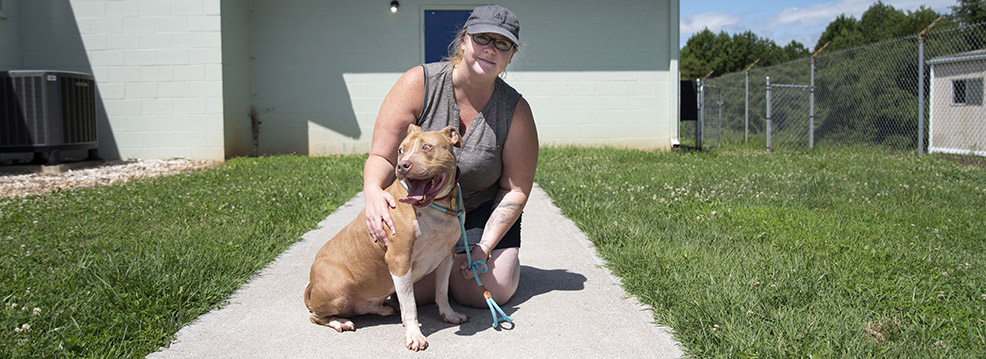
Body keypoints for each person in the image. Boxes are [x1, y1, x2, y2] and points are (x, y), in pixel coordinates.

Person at [362, 5, 537, 308]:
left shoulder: (516, 111)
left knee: (487, 293)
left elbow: (516, 189)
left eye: (502, 43)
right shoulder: (419, 83)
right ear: (464, 41)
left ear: (510, 55)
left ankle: (482, 257)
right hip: (418, 207)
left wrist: (484, 247)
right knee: (412, 293)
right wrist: (372, 192)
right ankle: (447, 262)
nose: (490, 49)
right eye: (482, 38)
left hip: (477, 211)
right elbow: (382, 155)